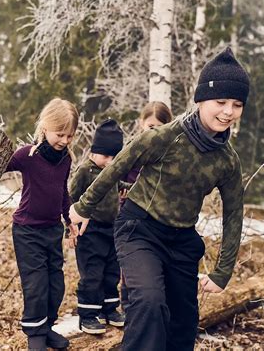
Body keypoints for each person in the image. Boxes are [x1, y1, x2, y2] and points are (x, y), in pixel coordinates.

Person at [69, 47, 249, 351]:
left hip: (182, 240)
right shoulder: (163, 137)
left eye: (237, 104)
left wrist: (223, 271)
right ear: (201, 99)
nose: (228, 111)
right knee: (149, 301)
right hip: (139, 229)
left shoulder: (228, 161)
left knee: (183, 322)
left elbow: (234, 214)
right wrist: (83, 207)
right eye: (220, 102)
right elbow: (116, 168)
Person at [5, 98, 79, 351]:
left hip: (52, 230)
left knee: (55, 284)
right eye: (60, 134)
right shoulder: (27, 155)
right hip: (27, 230)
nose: (65, 141)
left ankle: (46, 328)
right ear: (45, 127)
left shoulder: (65, 159)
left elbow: (62, 193)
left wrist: (69, 220)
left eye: (70, 136)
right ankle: (35, 334)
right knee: (36, 284)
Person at [67, 119, 126, 335]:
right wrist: (69, 229)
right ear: (94, 151)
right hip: (89, 232)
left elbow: (121, 187)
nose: (110, 162)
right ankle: (88, 315)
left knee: (112, 272)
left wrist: (131, 189)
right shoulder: (85, 171)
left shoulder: (113, 171)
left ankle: (109, 309)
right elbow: (71, 198)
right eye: (106, 156)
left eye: (114, 157)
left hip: (112, 230)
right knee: (93, 274)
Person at [119, 101, 173, 311]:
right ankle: (127, 305)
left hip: (160, 217)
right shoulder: (132, 149)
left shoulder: (170, 153)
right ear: (141, 124)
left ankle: (157, 307)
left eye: (160, 127)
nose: (155, 131)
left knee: (156, 265)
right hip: (131, 215)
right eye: (151, 127)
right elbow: (116, 177)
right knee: (132, 264)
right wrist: (125, 191)